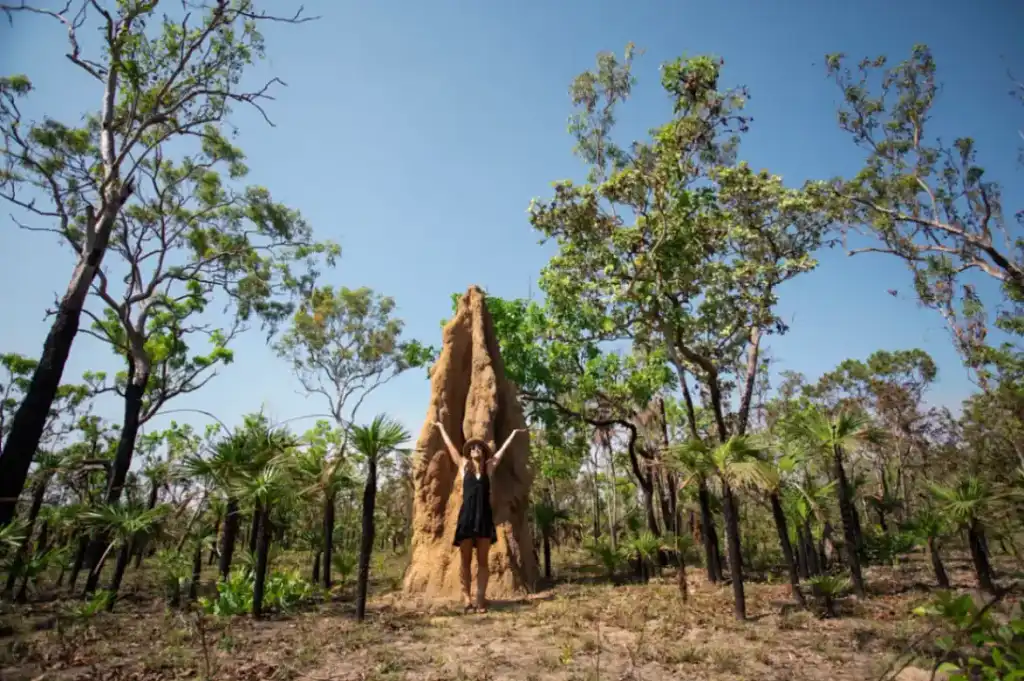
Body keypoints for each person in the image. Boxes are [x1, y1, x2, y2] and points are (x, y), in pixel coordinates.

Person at [433, 422, 526, 613]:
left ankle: (481, 599)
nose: (475, 449)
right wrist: (442, 427)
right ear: (469, 453)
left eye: (479, 448)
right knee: (465, 560)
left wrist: (514, 434)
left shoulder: (489, 469)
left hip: (483, 517)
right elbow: (450, 446)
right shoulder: (463, 466)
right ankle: (467, 599)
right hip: (467, 517)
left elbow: (501, 451)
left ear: (483, 452)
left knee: (483, 561)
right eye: (472, 448)